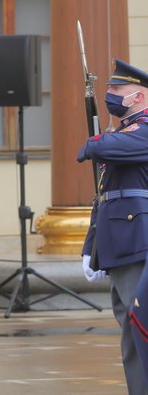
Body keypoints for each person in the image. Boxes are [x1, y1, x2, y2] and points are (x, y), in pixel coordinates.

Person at [79, 58, 148, 394]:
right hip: (120, 243)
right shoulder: (122, 132)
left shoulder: (143, 130)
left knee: (141, 327)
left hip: (138, 241)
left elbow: (105, 147)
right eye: (108, 88)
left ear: (139, 97)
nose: (110, 95)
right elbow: (104, 196)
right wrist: (90, 248)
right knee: (129, 331)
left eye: (118, 89)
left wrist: (93, 143)